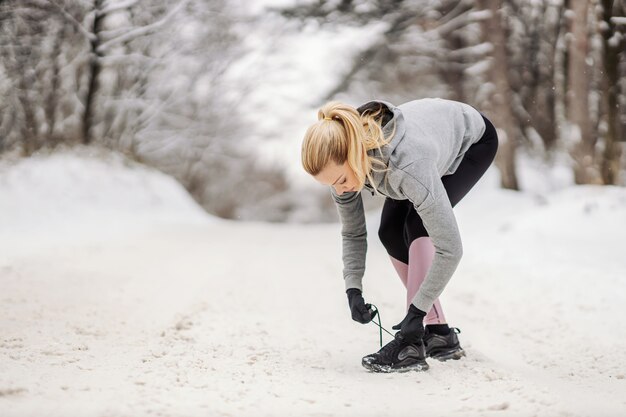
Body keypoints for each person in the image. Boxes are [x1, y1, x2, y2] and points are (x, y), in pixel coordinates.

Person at [301, 98, 499, 373]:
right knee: (390, 232)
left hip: (472, 143)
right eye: (333, 185)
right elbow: (354, 232)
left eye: (342, 181)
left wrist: (416, 313)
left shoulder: (406, 166)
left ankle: (411, 343)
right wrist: (353, 289)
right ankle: (439, 333)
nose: (341, 190)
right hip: (419, 151)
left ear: (355, 155)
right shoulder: (344, 168)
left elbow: (450, 248)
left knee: (418, 226)